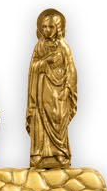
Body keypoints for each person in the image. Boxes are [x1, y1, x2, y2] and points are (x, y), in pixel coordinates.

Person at [26, 9, 77, 168]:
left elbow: (71, 69)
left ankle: (61, 152)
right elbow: (33, 67)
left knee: (59, 119)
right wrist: (46, 61)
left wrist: (68, 88)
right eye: (44, 27)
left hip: (59, 91)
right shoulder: (39, 46)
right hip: (42, 91)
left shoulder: (63, 46)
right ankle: (39, 153)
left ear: (58, 28)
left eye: (50, 27)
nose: (47, 30)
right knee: (39, 119)